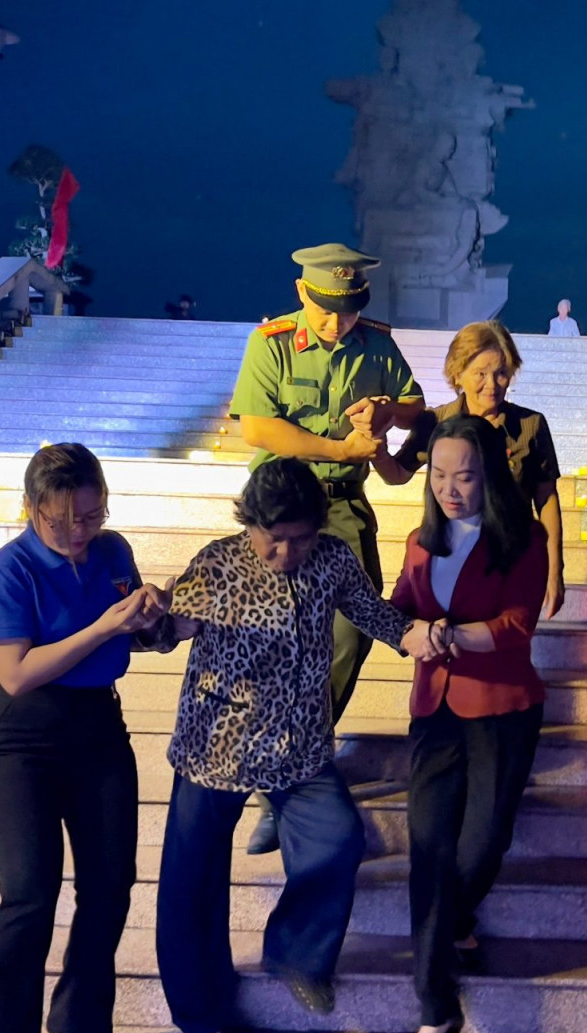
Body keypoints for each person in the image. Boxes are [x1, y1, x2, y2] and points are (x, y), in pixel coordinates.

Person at [154, 457, 426, 1033]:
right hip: (216, 745)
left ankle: (296, 951)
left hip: (298, 744)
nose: (285, 551)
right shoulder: (219, 564)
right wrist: (157, 622)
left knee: (338, 838)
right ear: (249, 522)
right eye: (272, 537)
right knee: (192, 884)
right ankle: (201, 1024)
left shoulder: (331, 558)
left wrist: (414, 636)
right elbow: (166, 630)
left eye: (299, 538)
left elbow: (372, 612)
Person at [0, 443, 172, 1033]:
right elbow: (16, 673)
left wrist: (154, 621)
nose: (80, 531)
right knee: (28, 896)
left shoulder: (113, 551)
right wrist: (106, 626)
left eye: (92, 514)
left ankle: (78, 1023)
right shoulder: (9, 568)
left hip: (97, 727)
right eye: (63, 521)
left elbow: (134, 642)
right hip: (23, 739)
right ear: (31, 510)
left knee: (110, 884)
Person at [230, 243, 426, 854]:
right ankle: (277, 774)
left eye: (347, 311)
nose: (336, 322)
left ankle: (293, 758)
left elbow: (416, 404)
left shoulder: (375, 344)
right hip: (280, 504)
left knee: (351, 631)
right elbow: (257, 427)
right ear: (302, 293)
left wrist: (388, 409)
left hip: (341, 506)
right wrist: (340, 448)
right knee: (275, 636)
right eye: (325, 310)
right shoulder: (272, 343)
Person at [389, 415, 548, 1033]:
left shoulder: (525, 538)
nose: (449, 490)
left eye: (465, 477)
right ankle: (436, 1009)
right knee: (428, 852)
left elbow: (517, 625)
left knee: (482, 844)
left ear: (491, 477)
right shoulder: (418, 542)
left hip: (503, 709)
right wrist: (408, 632)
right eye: (438, 475)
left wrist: (451, 635)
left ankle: (452, 923)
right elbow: (398, 610)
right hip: (435, 711)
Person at [366, 320, 564, 620]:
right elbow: (397, 474)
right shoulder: (435, 422)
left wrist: (554, 569)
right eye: (480, 374)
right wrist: (376, 446)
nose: (492, 384)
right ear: (458, 373)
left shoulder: (530, 426)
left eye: (501, 373)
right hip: (448, 560)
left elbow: (546, 498)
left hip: (509, 562)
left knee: (501, 642)